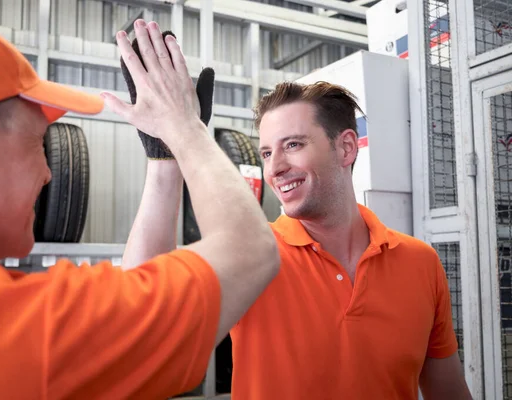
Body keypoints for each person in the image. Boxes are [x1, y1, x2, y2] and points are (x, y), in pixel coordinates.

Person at [0, 11, 279, 399]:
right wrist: (184, 126)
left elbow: (133, 321)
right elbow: (250, 252)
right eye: (39, 142)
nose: (48, 174)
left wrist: (165, 160)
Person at [122, 80, 474, 399]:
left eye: (292, 145)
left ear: (346, 148)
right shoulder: (253, 257)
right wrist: (164, 159)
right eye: (266, 153)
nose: (274, 168)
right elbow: (145, 315)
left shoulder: (420, 262)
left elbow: (448, 390)